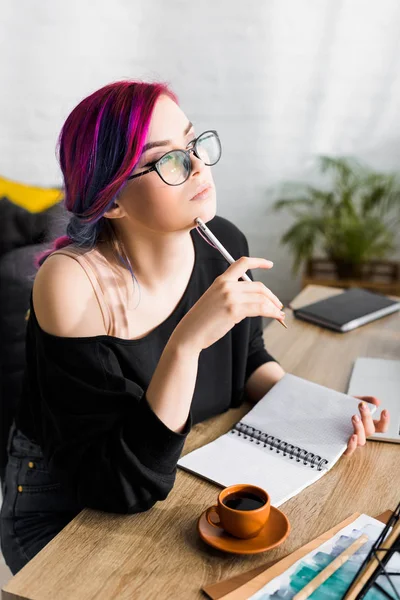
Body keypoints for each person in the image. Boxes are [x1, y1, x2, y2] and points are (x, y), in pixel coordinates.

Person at [0, 81, 390, 575]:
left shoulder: (221, 240)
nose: (198, 166)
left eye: (193, 144)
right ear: (113, 200)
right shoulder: (71, 284)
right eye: (168, 160)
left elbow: (248, 362)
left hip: (186, 470)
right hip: (69, 508)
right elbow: (119, 487)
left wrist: (323, 409)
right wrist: (187, 342)